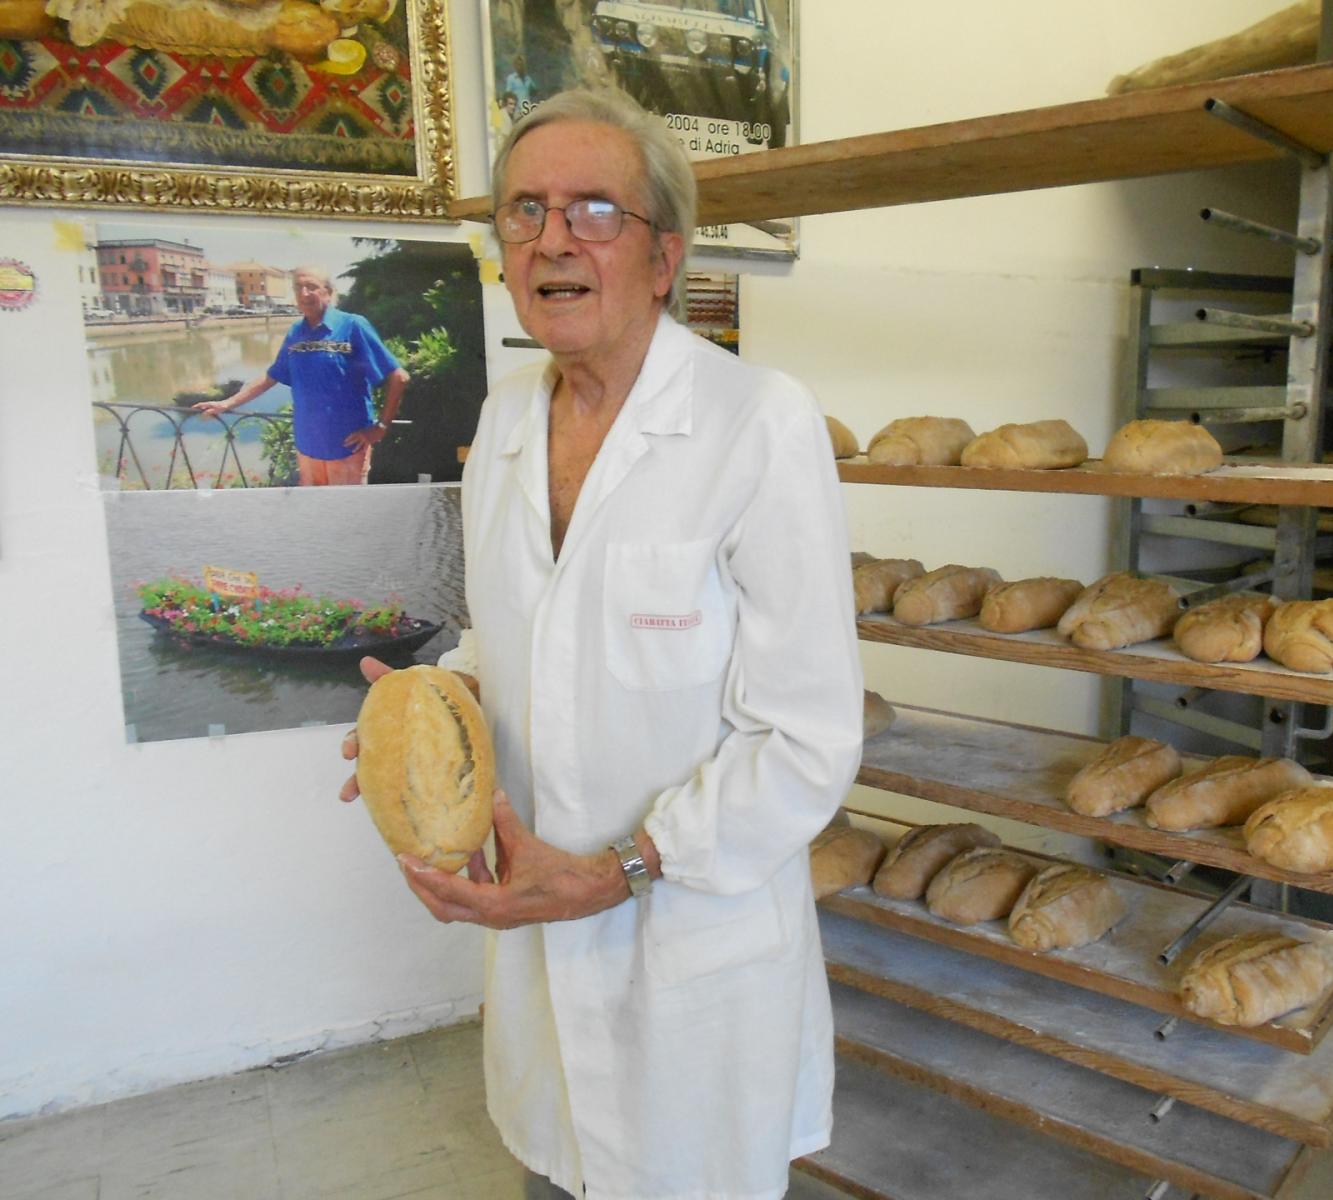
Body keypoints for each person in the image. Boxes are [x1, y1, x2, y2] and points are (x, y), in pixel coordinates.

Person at [339, 88, 861, 1199]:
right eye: (523, 212)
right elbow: (510, 637)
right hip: (540, 941)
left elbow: (809, 738)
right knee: (557, 1174)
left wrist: (621, 871)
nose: (552, 240)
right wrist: (430, 711)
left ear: (664, 255)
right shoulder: (507, 429)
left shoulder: (755, 424)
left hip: (691, 950)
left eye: (593, 211)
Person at [194, 266, 409, 486]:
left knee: (345, 516)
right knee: (314, 513)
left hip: (347, 450)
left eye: (312, 287)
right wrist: (226, 403)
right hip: (307, 448)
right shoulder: (296, 332)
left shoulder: (352, 326)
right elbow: (271, 376)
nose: (304, 293)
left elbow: (399, 377)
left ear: (328, 291)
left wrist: (380, 428)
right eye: (299, 287)